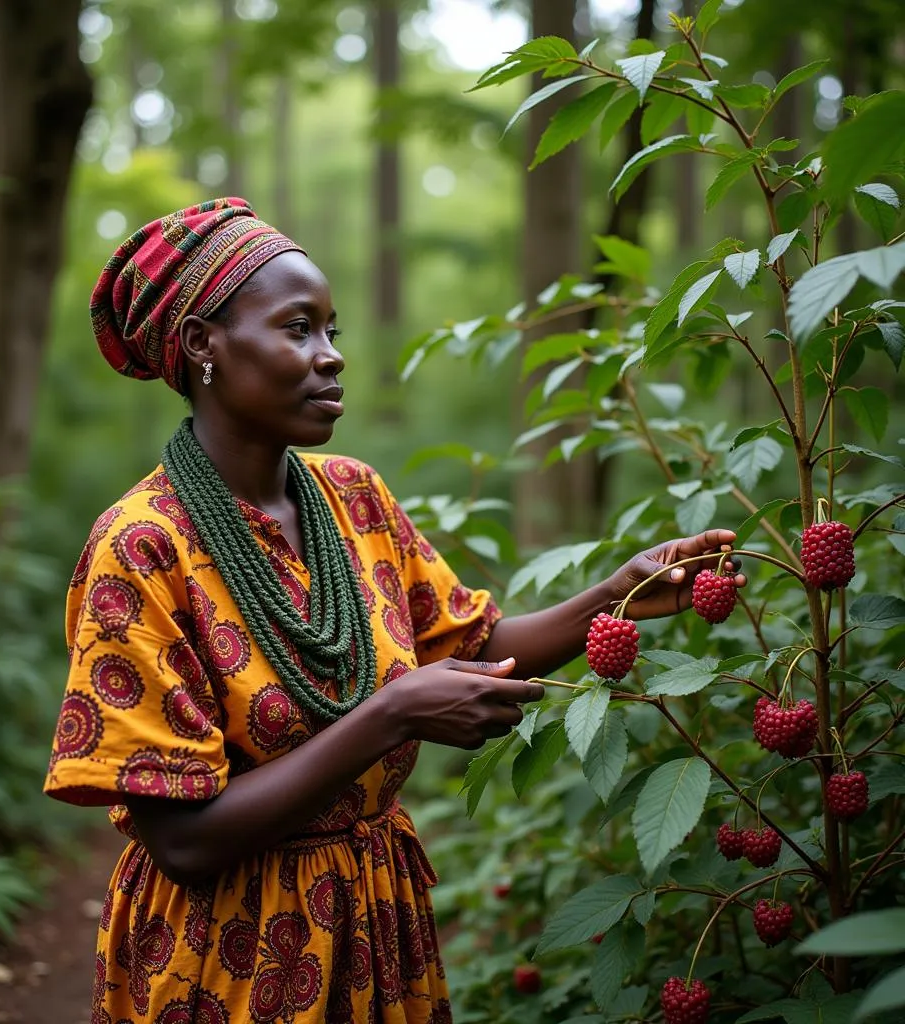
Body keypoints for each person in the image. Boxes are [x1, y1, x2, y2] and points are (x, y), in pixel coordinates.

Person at [45, 198, 745, 1024]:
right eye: (298, 329)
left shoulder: (353, 497)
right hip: (223, 958)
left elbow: (479, 641)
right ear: (202, 343)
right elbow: (185, 841)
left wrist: (617, 596)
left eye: (332, 331)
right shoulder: (141, 547)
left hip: (375, 918)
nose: (332, 357)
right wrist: (393, 713)